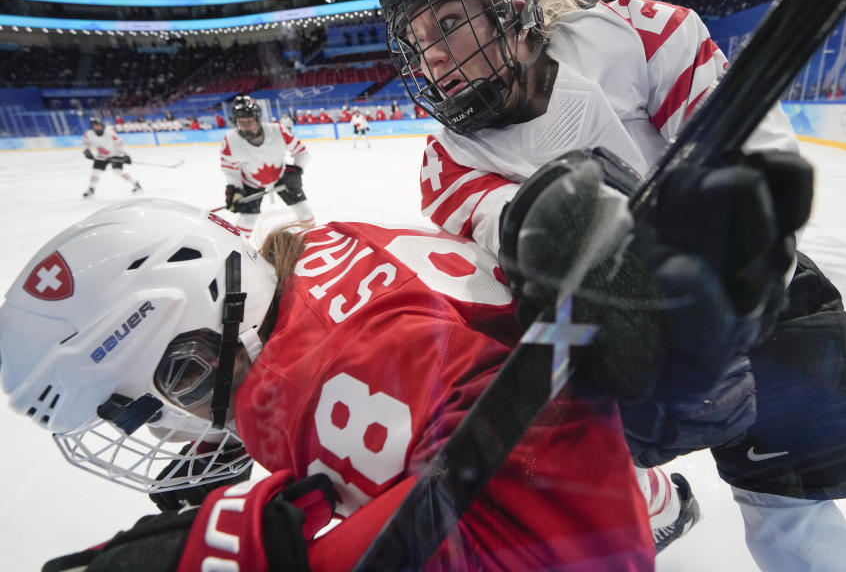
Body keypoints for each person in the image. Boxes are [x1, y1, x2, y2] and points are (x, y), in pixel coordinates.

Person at [378, 0, 846, 569]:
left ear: (512, 4)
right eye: (418, 39)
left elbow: (758, 170)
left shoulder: (641, 36)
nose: (433, 56)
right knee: (572, 532)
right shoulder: (448, 162)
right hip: (612, 343)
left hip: (750, 301)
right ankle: (650, 499)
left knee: (792, 519)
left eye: (448, 22)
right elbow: (533, 253)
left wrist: (725, 276)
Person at [0, 189, 786, 571]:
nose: (167, 431)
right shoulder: (317, 246)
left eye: (151, 403)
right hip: (597, 404)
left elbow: (577, 553)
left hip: (606, 444)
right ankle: (655, 494)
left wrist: (279, 556)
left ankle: (651, 498)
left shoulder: (314, 393)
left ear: (194, 345)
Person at [221, 95, 315, 239]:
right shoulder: (230, 140)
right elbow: (230, 168)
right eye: (241, 121)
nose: (246, 125)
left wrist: (296, 171)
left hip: (281, 176)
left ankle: (312, 239)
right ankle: (237, 249)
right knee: (247, 220)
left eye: (249, 120)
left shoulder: (278, 131)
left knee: (305, 212)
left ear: (257, 118)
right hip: (251, 182)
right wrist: (235, 188)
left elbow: (301, 152)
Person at [80, 116, 143, 198]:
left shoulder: (110, 133)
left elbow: (120, 143)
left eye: (97, 125)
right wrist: (87, 150)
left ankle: (135, 184)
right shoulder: (88, 134)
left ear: (101, 125)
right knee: (96, 171)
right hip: (101, 156)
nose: (96, 127)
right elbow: (86, 143)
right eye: (94, 125)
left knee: (117, 171)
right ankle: (91, 189)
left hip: (115, 154)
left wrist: (126, 154)